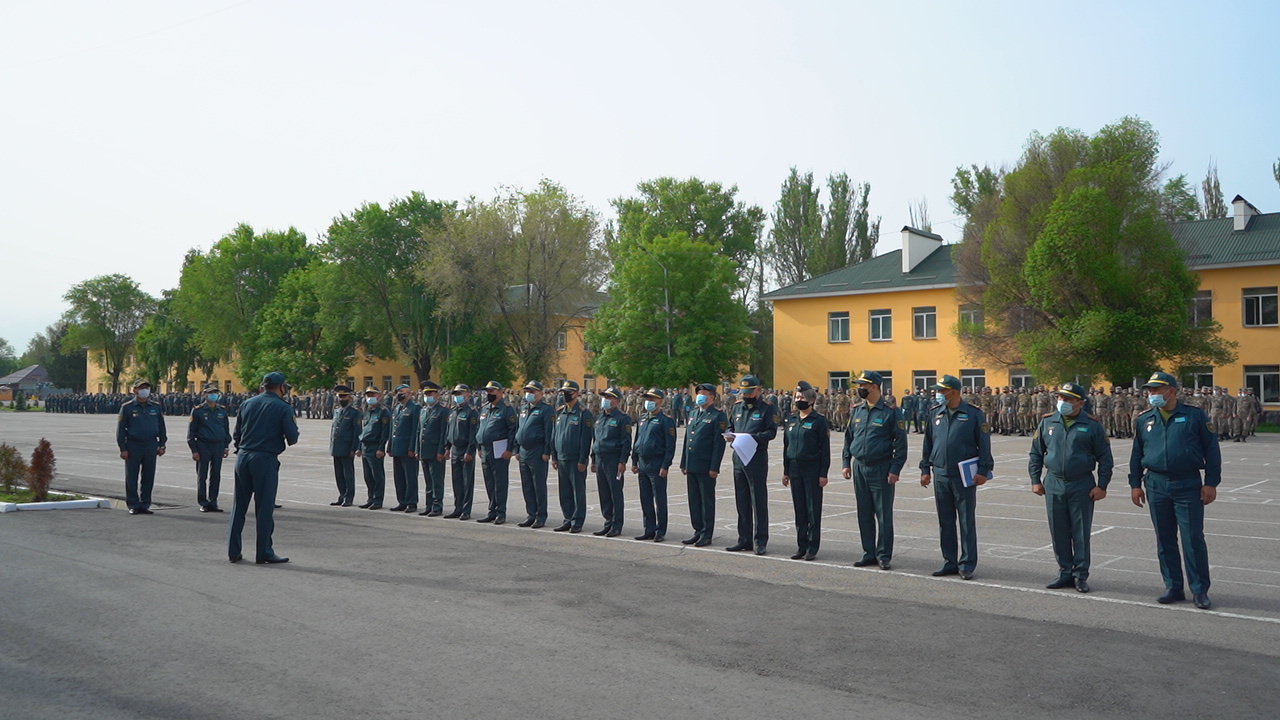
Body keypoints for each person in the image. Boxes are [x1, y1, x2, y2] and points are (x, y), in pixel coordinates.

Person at [1129, 372, 1221, 609]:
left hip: (1187, 483)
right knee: (1165, 539)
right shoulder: (1144, 419)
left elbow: (1211, 451)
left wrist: (1211, 482)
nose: (1152, 395)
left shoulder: (1194, 416)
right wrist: (1135, 484)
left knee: (1192, 538)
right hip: (1156, 484)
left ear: (1172, 391)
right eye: (1150, 391)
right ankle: (1173, 586)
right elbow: (1137, 454)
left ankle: (1199, 590)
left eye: (1157, 390)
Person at [1028, 382, 1113, 593]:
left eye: (1068, 399)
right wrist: (1035, 480)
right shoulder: (1048, 422)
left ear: (1080, 403)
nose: (1062, 402)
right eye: (1060, 398)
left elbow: (1105, 458)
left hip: (1081, 484)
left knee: (1080, 532)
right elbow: (1036, 454)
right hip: (1054, 482)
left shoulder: (1092, 425)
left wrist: (1102, 485)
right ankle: (1064, 572)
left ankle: (1080, 575)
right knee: (1059, 531)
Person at [920, 374, 994, 580]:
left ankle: (967, 564)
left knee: (966, 520)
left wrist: (983, 471)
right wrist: (925, 469)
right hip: (941, 473)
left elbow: (984, 443)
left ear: (953, 392)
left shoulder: (973, 414)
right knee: (945, 521)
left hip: (964, 475)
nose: (938, 394)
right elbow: (928, 443)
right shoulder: (935, 413)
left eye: (942, 391)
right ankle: (949, 561)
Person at [227, 372, 299, 564]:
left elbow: (237, 434)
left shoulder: (247, 403)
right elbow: (292, 437)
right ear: (282, 387)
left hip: (243, 456)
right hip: (265, 458)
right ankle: (264, 552)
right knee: (264, 508)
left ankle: (234, 551)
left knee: (239, 507)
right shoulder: (283, 407)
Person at [842, 371, 907, 570]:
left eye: (864, 385)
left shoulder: (891, 411)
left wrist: (895, 469)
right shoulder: (857, 410)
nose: (860, 388)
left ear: (875, 386)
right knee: (864, 513)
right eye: (859, 385)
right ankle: (868, 553)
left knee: (883, 514)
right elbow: (849, 437)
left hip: (881, 468)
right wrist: (846, 462)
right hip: (859, 467)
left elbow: (901, 443)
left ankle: (883, 555)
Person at [725, 374, 778, 555]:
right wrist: (729, 435)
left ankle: (760, 540)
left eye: (749, 393)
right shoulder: (737, 408)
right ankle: (744, 538)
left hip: (756, 457)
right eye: (743, 393)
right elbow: (730, 427)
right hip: (739, 457)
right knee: (742, 500)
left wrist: (751, 438)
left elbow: (771, 432)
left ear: (758, 390)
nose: (746, 396)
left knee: (758, 500)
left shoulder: (766, 408)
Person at [782, 381, 830, 561]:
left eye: (802, 397)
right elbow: (787, 446)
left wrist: (823, 473)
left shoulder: (819, 421)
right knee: (799, 509)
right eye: (797, 397)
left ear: (811, 400)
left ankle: (812, 547)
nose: (798, 399)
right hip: (794, 469)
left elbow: (825, 450)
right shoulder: (792, 420)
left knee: (812, 509)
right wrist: (786, 471)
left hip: (812, 470)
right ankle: (801, 546)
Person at [680, 382, 728, 547]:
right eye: (699, 393)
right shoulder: (693, 413)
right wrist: (683, 462)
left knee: (706, 501)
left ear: (712, 397)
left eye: (705, 393)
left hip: (706, 466)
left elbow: (718, 444)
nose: (700, 395)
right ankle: (697, 530)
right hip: (692, 464)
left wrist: (714, 467)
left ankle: (707, 534)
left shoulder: (718, 416)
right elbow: (688, 439)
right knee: (694, 500)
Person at [632, 387, 677, 542]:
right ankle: (649, 528)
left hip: (657, 464)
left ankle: (660, 530)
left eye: (652, 399)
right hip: (643, 463)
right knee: (645, 498)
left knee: (659, 499)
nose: (648, 402)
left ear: (660, 401)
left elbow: (670, 446)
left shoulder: (666, 421)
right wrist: (634, 460)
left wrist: (665, 465)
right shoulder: (642, 419)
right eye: (647, 399)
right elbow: (637, 440)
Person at [117, 379, 167, 515]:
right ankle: (133, 504)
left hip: (151, 444)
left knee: (148, 476)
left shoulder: (155, 407)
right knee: (132, 476)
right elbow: (121, 430)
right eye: (141, 388)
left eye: (146, 388)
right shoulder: (127, 407)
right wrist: (123, 448)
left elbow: (161, 427)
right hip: (133, 445)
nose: (144, 390)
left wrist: (162, 444)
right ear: (135, 391)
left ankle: (145, 504)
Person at [551, 380, 594, 533]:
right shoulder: (560, 411)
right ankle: (567, 518)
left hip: (576, 459)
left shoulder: (583, 413)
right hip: (562, 457)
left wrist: (583, 459)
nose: (565, 395)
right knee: (565, 491)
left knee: (578, 491)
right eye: (563, 392)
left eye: (568, 392)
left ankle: (577, 521)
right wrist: (554, 456)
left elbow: (586, 439)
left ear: (577, 393)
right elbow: (555, 435)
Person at [591, 386, 632, 537]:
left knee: (615, 493)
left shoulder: (622, 418)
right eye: (604, 397)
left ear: (617, 401)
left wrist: (622, 461)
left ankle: (617, 524)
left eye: (609, 398)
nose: (605, 400)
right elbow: (596, 439)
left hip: (614, 460)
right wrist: (593, 459)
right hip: (601, 459)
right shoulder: (600, 417)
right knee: (604, 493)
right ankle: (608, 522)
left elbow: (626, 442)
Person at [476, 381, 517, 524]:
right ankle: (492, 510)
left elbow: (513, 430)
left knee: (500, 482)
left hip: (499, 449)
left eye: (492, 392)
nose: (489, 395)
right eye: (487, 392)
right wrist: (479, 447)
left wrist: (509, 449)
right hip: (485, 449)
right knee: (489, 482)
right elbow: (480, 429)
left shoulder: (507, 409)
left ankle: (501, 512)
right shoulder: (485, 408)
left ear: (500, 392)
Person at [514, 380, 554, 528]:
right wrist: (517, 448)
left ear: (541, 393)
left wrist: (546, 451)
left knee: (539, 485)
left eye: (533, 391)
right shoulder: (524, 408)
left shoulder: (546, 409)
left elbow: (549, 432)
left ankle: (541, 515)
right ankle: (531, 514)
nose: (529, 394)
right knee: (527, 485)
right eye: (528, 391)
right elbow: (519, 429)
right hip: (524, 451)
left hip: (537, 451)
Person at [187, 383, 231, 512]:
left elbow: (225, 429)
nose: (214, 395)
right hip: (203, 445)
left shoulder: (221, 410)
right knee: (202, 475)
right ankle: (203, 502)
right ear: (205, 394)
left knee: (216, 475)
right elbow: (191, 432)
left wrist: (226, 446)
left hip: (218, 445)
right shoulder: (198, 410)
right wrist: (194, 450)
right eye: (211, 393)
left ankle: (213, 501)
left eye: (216, 393)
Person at [443, 384, 479, 520]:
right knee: (456, 481)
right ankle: (457, 508)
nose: (457, 396)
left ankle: (466, 510)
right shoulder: (453, 411)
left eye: (460, 393)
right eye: (456, 394)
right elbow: (449, 431)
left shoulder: (471, 411)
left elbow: (472, 434)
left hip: (465, 450)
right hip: (455, 450)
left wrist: (470, 451)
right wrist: (447, 448)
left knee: (467, 481)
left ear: (467, 395)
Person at [416, 381, 449, 516]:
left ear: (437, 395)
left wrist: (441, 451)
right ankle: (429, 505)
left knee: (436, 481)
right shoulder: (423, 411)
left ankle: (437, 506)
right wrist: (417, 449)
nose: (427, 396)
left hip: (436, 451)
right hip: (424, 450)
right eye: (426, 393)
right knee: (428, 481)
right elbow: (419, 431)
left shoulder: (443, 411)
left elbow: (443, 433)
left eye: (430, 393)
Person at [357, 387, 391, 510]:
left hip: (375, 446)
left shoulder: (383, 411)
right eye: (368, 395)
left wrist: (381, 448)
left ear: (379, 396)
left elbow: (384, 432)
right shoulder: (366, 410)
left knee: (377, 475)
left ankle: (378, 500)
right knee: (368, 476)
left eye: (372, 394)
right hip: (365, 446)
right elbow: (364, 430)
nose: (370, 397)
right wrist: (359, 447)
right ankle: (370, 498)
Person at [388, 384, 420, 512]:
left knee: (410, 477)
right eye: (397, 392)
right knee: (399, 477)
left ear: (409, 393)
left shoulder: (415, 408)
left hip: (408, 448)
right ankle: (402, 501)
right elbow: (392, 429)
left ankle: (411, 502)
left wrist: (413, 448)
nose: (399, 393)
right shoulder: (397, 408)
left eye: (401, 391)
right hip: (397, 447)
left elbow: (414, 430)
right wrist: (390, 446)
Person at [328, 385, 361, 507]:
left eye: (344, 396)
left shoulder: (355, 413)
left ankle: (349, 497)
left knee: (348, 474)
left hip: (347, 448)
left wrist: (354, 448)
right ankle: (341, 495)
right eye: (339, 396)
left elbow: (357, 432)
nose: (341, 399)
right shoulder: (337, 411)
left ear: (350, 397)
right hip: (337, 447)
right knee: (339, 474)